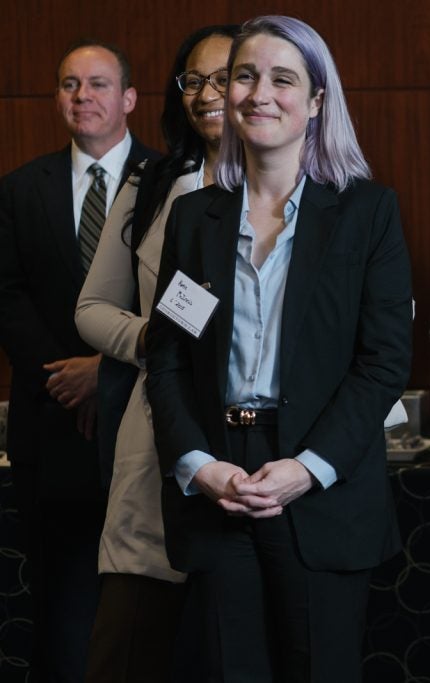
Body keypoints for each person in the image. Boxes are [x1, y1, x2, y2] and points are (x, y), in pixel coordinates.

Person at [144, 15, 412, 682]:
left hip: (320, 487)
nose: (259, 92)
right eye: (244, 75)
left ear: (318, 101)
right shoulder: (192, 217)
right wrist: (197, 463)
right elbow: (169, 360)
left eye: (282, 79)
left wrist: (307, 467)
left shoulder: (367, 213)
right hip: (218, 483)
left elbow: (382, 364)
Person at [74, 24, 239, 682]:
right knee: (129, 644)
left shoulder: (306, 188)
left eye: (225, 77)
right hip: (158, 428)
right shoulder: (150, 183)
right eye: (193, 80)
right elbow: (91, 308)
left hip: (259, 439)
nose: (208, 94)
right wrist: (151, 339)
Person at [0, 40, 158, 682]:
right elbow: (6, 295)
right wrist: (70, 378)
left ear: (127, 99)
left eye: (97, 84)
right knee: (60, 605)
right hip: (52, 421)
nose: (81, 97)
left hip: (146, 421)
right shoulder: (17, 188)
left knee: (148, 604)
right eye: (69, 84)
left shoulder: (173, 177)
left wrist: (108, 371)